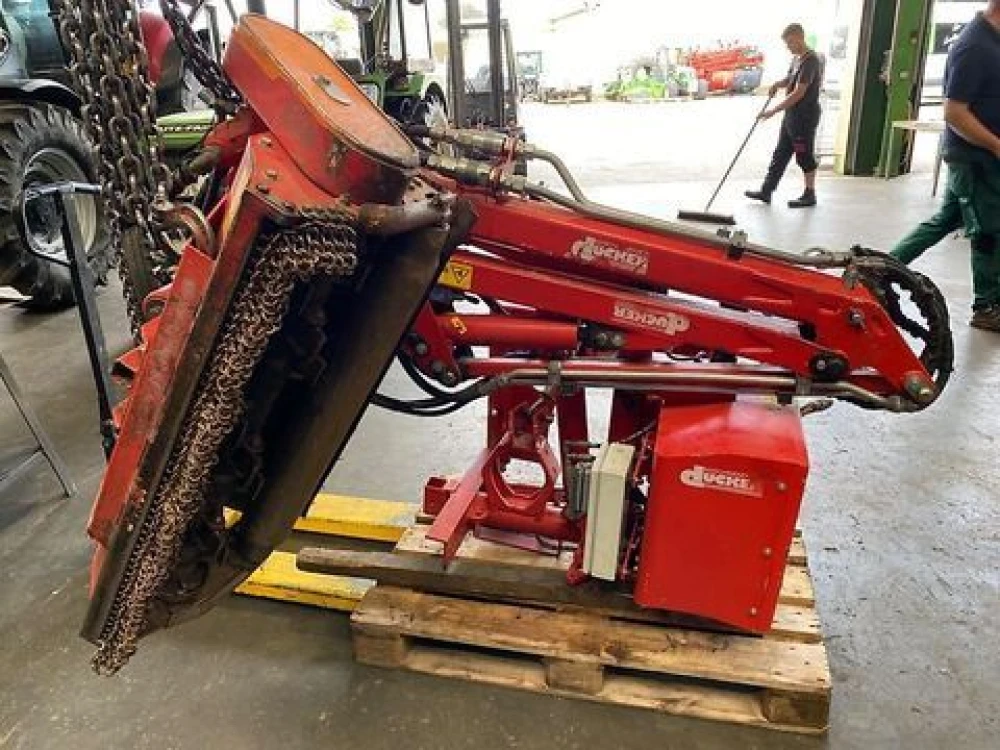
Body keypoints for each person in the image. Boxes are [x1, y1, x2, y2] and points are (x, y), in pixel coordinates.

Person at [916, 1, 1000, 331]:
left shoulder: (992, 40)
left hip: (978, 157)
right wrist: (996, 145)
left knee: (946, 219)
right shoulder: (975, 45)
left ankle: (876, 269)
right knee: (988, 231)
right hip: (975, 158)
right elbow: (954, 111)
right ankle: (986, 306)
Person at [745, 24, 824, 208]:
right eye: (786, 43)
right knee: (780, 153)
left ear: (800, 37)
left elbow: (799, 92)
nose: (788, 47)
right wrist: (777, 84)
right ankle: (766, 191)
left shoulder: (811, 61)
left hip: (804, 118)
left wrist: (773, 111)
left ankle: (810, 193)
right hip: (792, 116)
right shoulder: (797, 59)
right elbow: (790, 79)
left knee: (803, 154)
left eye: (790, 42)